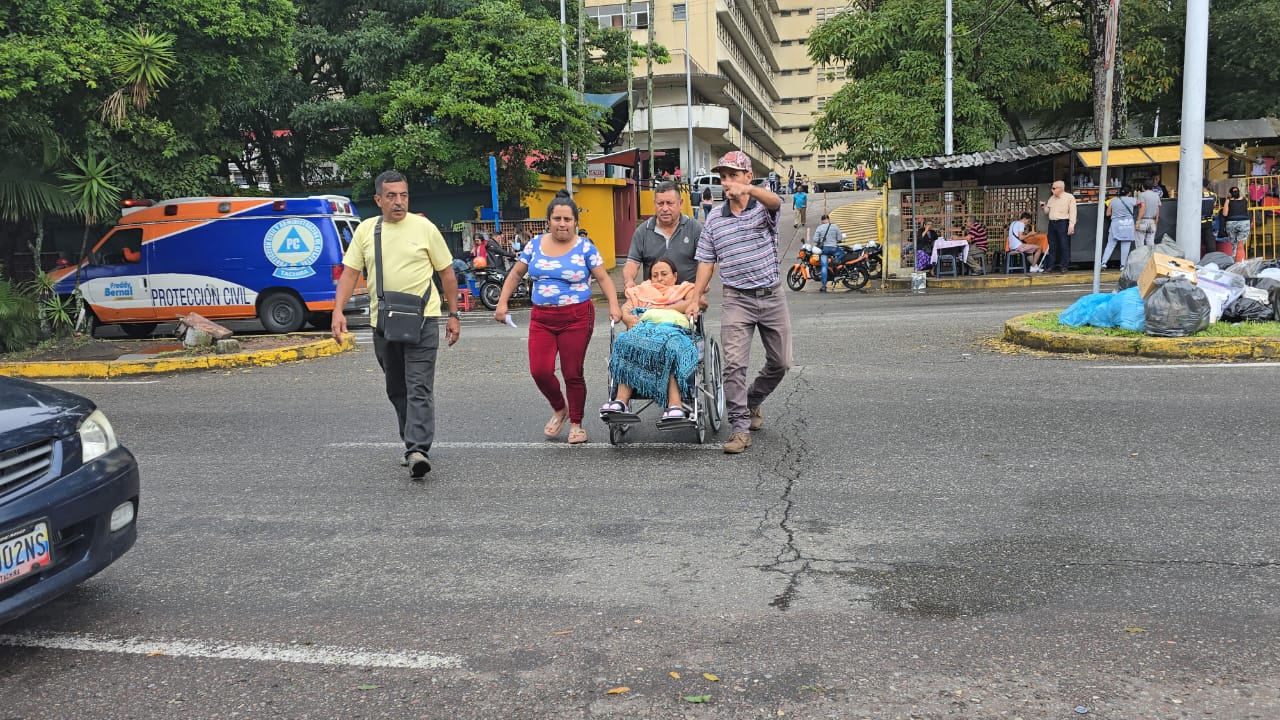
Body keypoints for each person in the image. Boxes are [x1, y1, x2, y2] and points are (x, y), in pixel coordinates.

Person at [332, 170, 461, 480]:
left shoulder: (425, 228)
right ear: (378, 199)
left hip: (423, 320)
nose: (398, 201)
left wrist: (454, 314)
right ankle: (410, 442)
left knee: (418, 386)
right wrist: (337, 312)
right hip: (383, 323)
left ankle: (418, 449)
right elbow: (350, 274)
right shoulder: (366, 231)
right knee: (396, 388)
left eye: (403, 195)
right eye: (391, 196)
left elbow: (446, 273)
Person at [494, 191, 622, 445]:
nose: (562, 223)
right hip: (542, 317)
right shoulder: (534, 245)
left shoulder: (585, 247)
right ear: (548, 221)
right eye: (557, 218)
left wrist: (614, 305)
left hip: (576, 316)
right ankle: (559, 408)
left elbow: (604, 278)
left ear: (575, 222)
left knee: (572, 372)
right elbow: (516, 274)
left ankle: (576, 422)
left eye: (567, 219)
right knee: (539, 370)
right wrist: (502, 302)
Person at [686, 150, 790, 455]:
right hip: (736, 299)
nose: (727, 182)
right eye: (723, 177)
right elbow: (706, 262)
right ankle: (740, 429)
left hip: (771, 296)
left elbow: (777, 202)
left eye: (733, 175)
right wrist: (695, 297)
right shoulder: (715, 220)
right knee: (733, 366)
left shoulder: (762, 208)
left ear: (747, 176)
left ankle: (752, 400)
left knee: (781, 363)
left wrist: (750, 191)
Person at [601, 259, 698, 419]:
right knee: (626, 343)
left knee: (671, 348)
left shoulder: (683, 289)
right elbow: (627, 307)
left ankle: (675, 405)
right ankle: (620, 402)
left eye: (664, 274)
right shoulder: (642, 291)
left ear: (675, 276)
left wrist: (662, 308)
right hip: (645, 331)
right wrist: (626, 317)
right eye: (655, 275)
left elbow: (695, 302)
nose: (659, 278)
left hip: (674, 330)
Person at [624, 180, 703, 293]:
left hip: (687, 296)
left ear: (680, 203)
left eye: (670, 203)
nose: (665, 209)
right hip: (654, 297)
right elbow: (632, 262)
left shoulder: (695, 228)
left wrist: (703, 283)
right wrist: (629, 281)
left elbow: (707, 263)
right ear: (654, 204)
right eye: (660, 204)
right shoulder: (642, 231)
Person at [1040, 180, 1077, 273]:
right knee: (1052, 245)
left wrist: (1071, 225)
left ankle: (1064, 266)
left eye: (1054, 188)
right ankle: (1050, 266)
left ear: (1060, 188)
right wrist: (1044, 206)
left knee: (1064, 244)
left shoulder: (1069, 197)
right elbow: (1047, 212)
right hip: (1052, 223)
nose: (1052, 190)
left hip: (1063, 222)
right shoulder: (1052, 198)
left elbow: (1073, 211)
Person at [1100, 187, 1137, 269]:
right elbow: (1140, 204)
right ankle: (1123, 265)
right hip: (1127, 224)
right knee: (1125, 245)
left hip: (1115, 225)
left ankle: (1104, 263)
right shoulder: (1132, 200)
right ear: (1129, 193)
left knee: (1110, 244)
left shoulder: (1113, 201)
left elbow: (1108, 214)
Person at [1220, 186, 1251, 260]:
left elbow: (1224, 214)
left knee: (1234, 245)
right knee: (1240, 245)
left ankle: (1234, 262)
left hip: (1231, 224)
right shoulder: (1245, 199)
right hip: (1244, 223)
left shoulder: (1228, 201)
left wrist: (1227, 200)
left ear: (1230, 194)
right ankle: (1241, 262)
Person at [814, 213, 841, 292]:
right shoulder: (835, 227)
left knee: (824, 266)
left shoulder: (819, 228)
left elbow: (815, 240)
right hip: (834, 249)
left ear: (822, 221)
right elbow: (839, 238)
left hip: (824, 250)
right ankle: (836, 263)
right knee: (842, 254)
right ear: (829, 220)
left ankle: (824, 285)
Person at [1134, 179, 1162, 249]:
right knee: (1151, 244)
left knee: (1140, 244)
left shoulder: (1142, 195)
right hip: (1152, 222)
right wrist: (1156, 222)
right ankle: (1150, 259)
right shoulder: (1156, 196)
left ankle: (1141, 259)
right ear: (1152, 187)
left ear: (1143, 186)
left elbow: (1143, 208)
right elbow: (1157, 210)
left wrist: (1138, 221)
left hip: (1143, 221)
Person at [1200, 180, 1219, 258]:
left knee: (1197, 242)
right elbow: (1215, 207)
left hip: (1198, 222)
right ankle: (1212, 259)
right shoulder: (1214, 195)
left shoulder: (1197, 195)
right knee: (1210, 242)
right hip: (1209, 222)